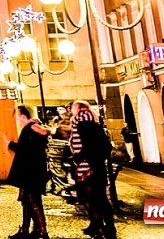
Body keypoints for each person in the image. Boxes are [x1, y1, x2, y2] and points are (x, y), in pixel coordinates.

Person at [70, 102, 116, 239]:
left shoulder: (83, 121)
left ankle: (102, 230)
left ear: (78, 108)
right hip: (93, 167)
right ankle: (103, 227)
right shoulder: (89, 121)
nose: (70, 110)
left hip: (88, 168)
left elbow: (89, 146)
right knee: (97, 199)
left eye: (72, 107)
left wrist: (77, 159)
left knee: (94, 199)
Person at [7, 105, 51, 239]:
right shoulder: (32, 128)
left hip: (31, 172)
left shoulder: (31, 128)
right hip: (30, 171)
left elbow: (25, 150)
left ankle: (42, 231)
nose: (17, 119)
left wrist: (9, 144)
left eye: (18, 115)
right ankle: (28, 230)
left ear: (23, 116)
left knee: (33, 201)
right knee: (27, 201)